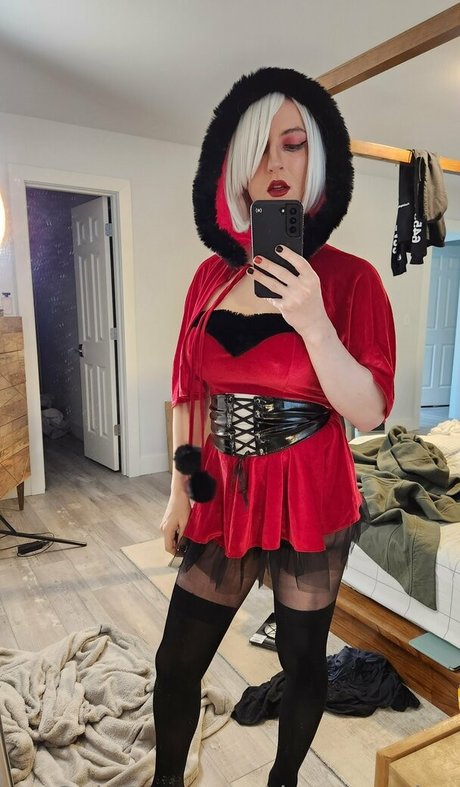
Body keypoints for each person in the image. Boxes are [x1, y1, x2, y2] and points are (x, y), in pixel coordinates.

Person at [152, 67, 396, 787]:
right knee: (176, 661)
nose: (275, 164)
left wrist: (314, 321)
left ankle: (282, 780)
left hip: (309, 489)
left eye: (292, 144)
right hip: (221, 489)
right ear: (234, 169)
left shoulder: (350, 280)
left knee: (301, 660)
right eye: (257, 149)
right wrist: (176, 495)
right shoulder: (209, 278)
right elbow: (189, 394)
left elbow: (369, 410)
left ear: (317, 159)